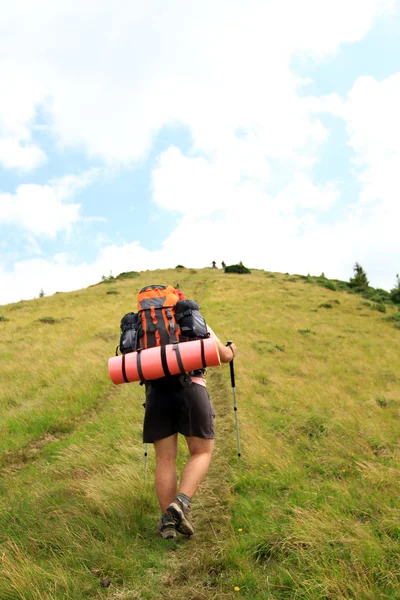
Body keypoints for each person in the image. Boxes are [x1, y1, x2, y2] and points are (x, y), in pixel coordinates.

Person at [142, 292, 238, 539]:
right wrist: (231, 350)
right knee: (202, 451)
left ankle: (168, 525)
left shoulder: (145, 327)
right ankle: (181, 503)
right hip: (190, 387)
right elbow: (222, 356)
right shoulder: (190, 317)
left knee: (165, 459)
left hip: (156, 393)